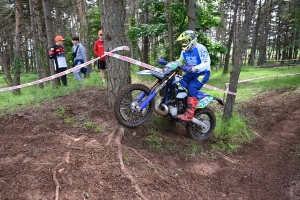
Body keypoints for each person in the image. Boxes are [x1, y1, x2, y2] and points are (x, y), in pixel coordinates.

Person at [161, 30, 211, 121]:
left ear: (191, 40)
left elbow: (207, 63)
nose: (183, 43)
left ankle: (190, 113)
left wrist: (195, 68)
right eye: (182, 42)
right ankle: (177, 107)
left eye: (185, 41)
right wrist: (167, 63)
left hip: (202, 73)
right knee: (178, 85)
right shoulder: (184, 51)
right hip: (190, 73)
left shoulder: (201, 48)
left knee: (192, 87)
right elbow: (179, 62)